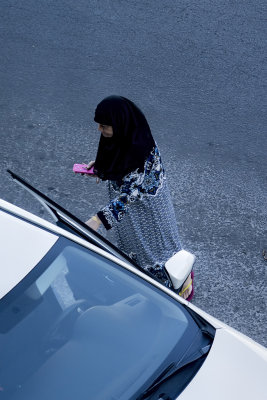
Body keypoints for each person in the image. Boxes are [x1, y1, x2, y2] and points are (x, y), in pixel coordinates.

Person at [85, 95, 193, 300]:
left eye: (104, 126)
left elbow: (128, 196)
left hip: (147, 213)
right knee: (135, 249)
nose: (100, 130)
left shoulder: (139, 151)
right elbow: (115, 156)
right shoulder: (126, 136)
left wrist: (97, 220)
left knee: (157, 250)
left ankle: (178, 287)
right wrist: (101, 167)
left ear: (120, 124)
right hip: (130, 214)